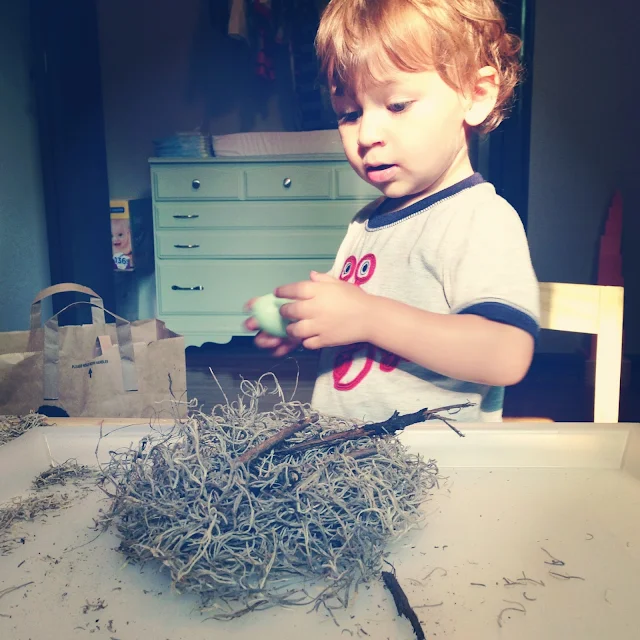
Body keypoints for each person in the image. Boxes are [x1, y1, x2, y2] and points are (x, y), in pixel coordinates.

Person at [245, 0, 540, 423]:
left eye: (398, 105)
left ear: (476, 95)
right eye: (349, 114)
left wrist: (367, 317)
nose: (366, 134)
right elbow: (360, 327)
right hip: (347, 456)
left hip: (431, 469)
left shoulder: (479, 218)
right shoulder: (365, 222)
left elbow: (506, 355)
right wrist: (311, 322)